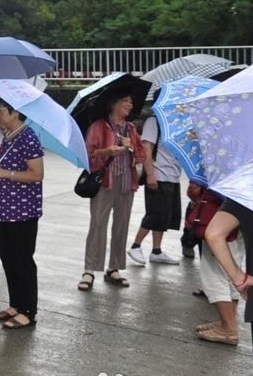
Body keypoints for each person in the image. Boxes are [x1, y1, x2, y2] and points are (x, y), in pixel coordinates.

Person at [0, 98, 45, 330]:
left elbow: (37, 174)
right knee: (8, 259)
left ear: (16, 112)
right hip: (6, 209)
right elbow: (4, 167)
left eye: (2, 110)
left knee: (23, 260)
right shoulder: (8, 135)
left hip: (23, 210)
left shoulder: (28, 137)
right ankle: (16, 304)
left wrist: (3, 173)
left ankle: (28, 311)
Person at [78, 90, 146, 291]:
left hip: (127, 182)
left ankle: (114, 268)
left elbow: (141, 154)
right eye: (125, 100)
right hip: (105, 182)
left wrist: (131, 146)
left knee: (121, 225)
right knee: (98, 224)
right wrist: (107, 151)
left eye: (131, 101)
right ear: (113, 104)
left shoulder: (131, 129)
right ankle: (89, 269)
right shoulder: (99, 126)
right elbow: (88, 155)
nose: (129, 105)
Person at [127, 112, 183, 266]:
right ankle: (135, 246)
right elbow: (146, 148)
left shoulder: (175, 122)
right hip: (159, 175)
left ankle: (156, 251)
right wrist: (151, 174)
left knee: (164, 215)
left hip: (172, 175)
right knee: (155, 213)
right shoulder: (154, 121)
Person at [198, 197, 252, 345]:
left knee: (215, 271)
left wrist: (240, 278)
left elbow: (214, 235)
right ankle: (227, 322)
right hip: (244, 214)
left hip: (228, 208)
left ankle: (228, 327)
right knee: (233, 261)